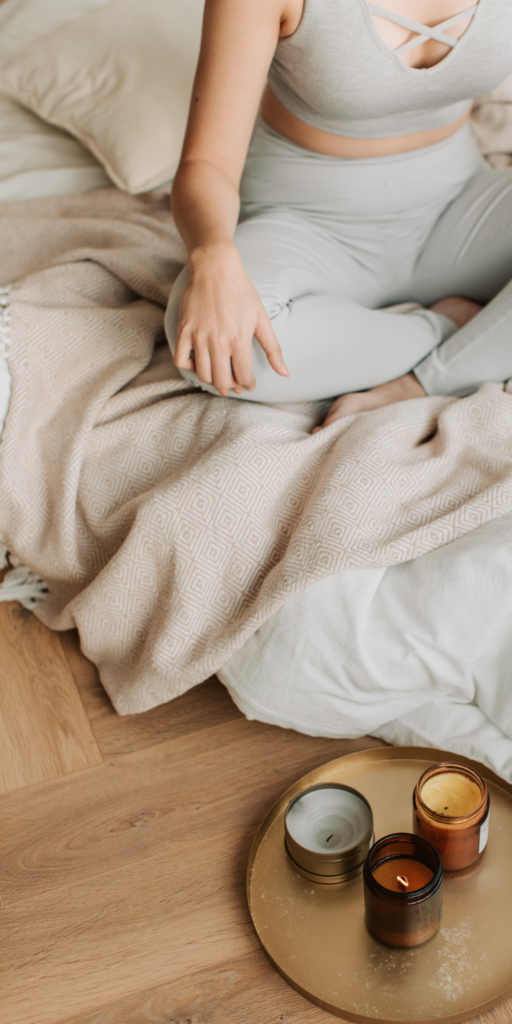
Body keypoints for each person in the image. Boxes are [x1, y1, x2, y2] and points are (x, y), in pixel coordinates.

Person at [165, 0, 512, 430]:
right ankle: (455, 327)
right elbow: (208, 163)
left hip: (461, 213)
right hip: (308, 226)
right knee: (211, 348)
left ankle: (430, 376)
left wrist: (420, 383)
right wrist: (211, 254)